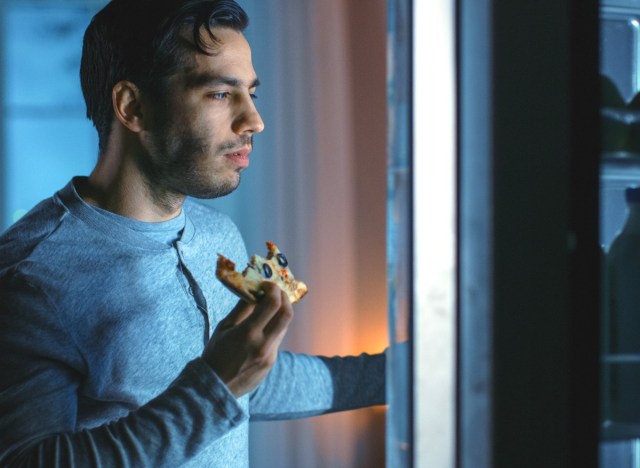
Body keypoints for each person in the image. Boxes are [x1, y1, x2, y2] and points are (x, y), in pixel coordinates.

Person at [0, 0, 386, 466]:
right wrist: (216, 387)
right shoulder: (32, 278)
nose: (254, 122)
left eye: (251, 94)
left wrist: (407, 368)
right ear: (133, 106)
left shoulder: (216, 235)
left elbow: (243, 385)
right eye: (222, 94)